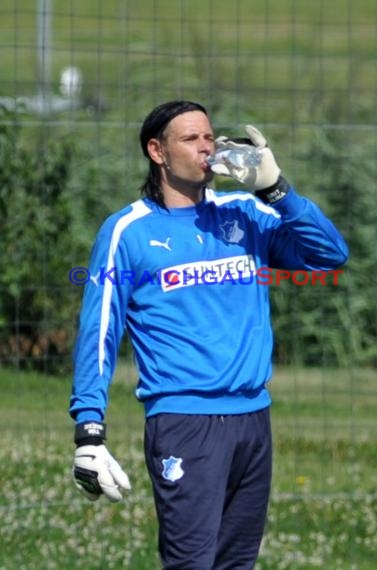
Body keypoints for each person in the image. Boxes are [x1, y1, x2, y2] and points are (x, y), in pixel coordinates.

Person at [69, 100, 348, 569]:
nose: (206, 147)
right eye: (190, 138)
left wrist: (277, 191)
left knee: (237, 564)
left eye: (209, 136)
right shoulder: (127, 231)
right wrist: (89, 433)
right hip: (185, 422)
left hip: (253, 420)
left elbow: (328, 256)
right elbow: (98, 332)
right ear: (157, 151)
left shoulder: (244, 212)